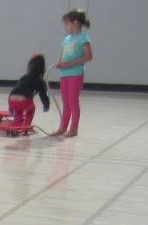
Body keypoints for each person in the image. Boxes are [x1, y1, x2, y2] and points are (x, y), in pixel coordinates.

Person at [53, 9, 93, 137]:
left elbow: (88, 56)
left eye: (67, 24)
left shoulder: (83, 38)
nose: (66, 27)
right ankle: (63, 127)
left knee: (73, 101)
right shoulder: (66, 39)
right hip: (64, 74)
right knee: (65, 103)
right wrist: (60, 64)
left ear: (75, 22)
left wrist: (70, 64)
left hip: (75, 74)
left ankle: (73, 128)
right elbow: (63, 55)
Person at [8, 54, 50, 129]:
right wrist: (46, 105)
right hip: (24, 100)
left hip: (11, 99)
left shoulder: (24, 77)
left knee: (18, 110)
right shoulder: (40, 81)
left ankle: (16, 124)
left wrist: (10, 108)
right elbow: (43, 96)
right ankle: (26, 126)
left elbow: (15, 90)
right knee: (31, 109)